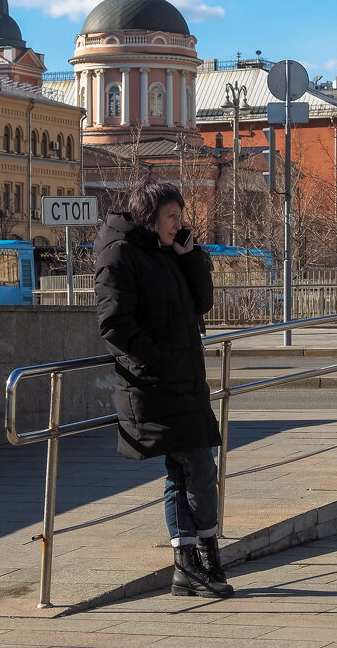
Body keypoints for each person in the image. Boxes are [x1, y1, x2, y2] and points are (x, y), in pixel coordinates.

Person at [93, 180, 233, 599]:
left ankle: (191, 564)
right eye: (173, 216)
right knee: (196, 470)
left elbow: (202, 302)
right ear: (150, 216)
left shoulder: (166, 252)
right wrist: (159, 362)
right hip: (156, 385)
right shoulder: (119, 255)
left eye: (180, 215)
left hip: (183, 382)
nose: (180, 223)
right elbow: (114, 325)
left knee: (190, 471)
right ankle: (199, 561)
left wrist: (190, 257)